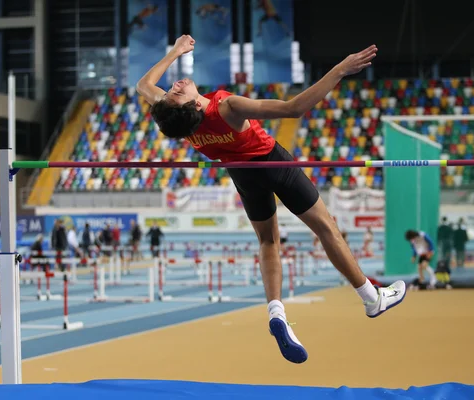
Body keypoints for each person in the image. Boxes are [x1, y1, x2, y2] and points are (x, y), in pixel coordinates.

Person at [136, 34, 405, 364]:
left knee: (268, 242)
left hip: (242, 174)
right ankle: (370, 297)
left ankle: (276, 312)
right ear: (193, 105)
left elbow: (144, 84)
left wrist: (176, 51)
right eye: (177, 92)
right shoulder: (226, 107)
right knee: (326, 228)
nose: (175, 86)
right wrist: (339, 70)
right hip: (273, 163)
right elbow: (294, 108)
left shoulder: (178, 120)